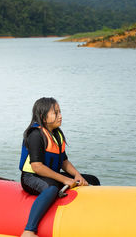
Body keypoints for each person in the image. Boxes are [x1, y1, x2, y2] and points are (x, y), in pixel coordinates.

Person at [18, 97, 100, 237]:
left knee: (93, 180)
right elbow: (37, 167)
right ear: (44, 117)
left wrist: (77, 176)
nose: (60, 116)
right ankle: (29, 230)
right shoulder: (36, 135)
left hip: (51, 176)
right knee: (51, 189)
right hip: (31, 177)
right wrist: (64, 179)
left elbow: (64, 161)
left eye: (60, 112)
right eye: (55, 113)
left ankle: (93, 218)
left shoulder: (57, 134)